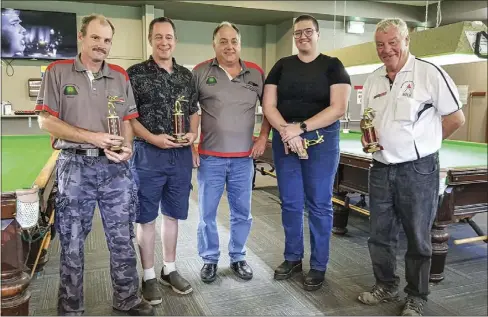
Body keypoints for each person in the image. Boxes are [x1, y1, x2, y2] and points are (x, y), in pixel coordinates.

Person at [34, 14, 154, 316]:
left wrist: (126, 148)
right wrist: (92, 138)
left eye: (107, 40)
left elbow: (128, 119)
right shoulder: (57, 71)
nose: (101, 45)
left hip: (116, 170)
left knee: (122, 240)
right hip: (75, 167)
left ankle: (127, 299)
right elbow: (45, 120)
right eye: (96, 38)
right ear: (82, 37)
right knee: (72, 243)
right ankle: (71, 307)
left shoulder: (119, 76)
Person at [357, 18, 465, 316]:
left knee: (418, 236)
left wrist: (425, 143)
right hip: (380, 167)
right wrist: (370, 140)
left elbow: (456, 118)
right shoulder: (373, 78)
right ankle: (386, 284)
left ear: (406, 41)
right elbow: (370, 120)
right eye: (380, 44)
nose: (386, 49)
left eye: (393, 42)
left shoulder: (429, 73)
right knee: (379, 234)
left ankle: (417, 295)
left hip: (418, 170)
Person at [262, 14, 351, 291]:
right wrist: (287, 131)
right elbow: (268, 105)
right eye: (298, 33)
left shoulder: (333, 66)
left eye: (308, 31)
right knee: (289, 202)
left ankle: (319, 264)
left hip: (321, 140)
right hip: (285, 137)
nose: (303, 37)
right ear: (293, 36)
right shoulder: (282, 66)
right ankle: (292, 257)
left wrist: (300, 128)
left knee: (320, 204)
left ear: (318, 34)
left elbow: (338, 108)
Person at [126, 17, 199, 303]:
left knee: (173, 214)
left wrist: (193, 134)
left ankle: (169, 268)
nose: (164, 42)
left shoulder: (185, 75)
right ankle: (148, 274)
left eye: (168, 37)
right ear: (150, 39)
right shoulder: (135, 74)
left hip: (179, 155)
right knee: (146, 216)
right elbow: (129, 117)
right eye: (158, 37)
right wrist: (153, 138)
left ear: (175, 40)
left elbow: (193, 110)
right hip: (148, 155)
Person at [192, 21, 271, 283]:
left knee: (242, 213)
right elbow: (191, 110)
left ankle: (238, 257)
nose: (229, 46)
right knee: (206, 214)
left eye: (233, 41)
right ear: (214, 44)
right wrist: (192, 144)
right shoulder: (201, 72)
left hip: (243, 160)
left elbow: (270, 109)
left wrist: (262, 137)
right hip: (210, 158)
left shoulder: (256, 73)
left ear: (240, 43)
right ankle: (210, 259)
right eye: (223, 41)